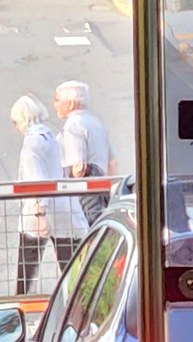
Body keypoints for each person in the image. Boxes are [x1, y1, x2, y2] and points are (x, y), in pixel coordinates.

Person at [12, 94, 86, 294]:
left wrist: (39, 215)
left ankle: (20, 307)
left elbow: (36, 181)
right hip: (62, 209)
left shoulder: (30, 146)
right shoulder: (48, 136)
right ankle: (79, 302)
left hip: (39, 212)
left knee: (26, 272)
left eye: (15, 122)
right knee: (70, 266)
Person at [55, 80, 116, 225]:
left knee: (85, 239)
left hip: (83, 197)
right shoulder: (96, 123)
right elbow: (113, 164)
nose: (55, 105)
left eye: (57, 100)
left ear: (70, 104)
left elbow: (79, 168)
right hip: (101, 190)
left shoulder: (73, 125)